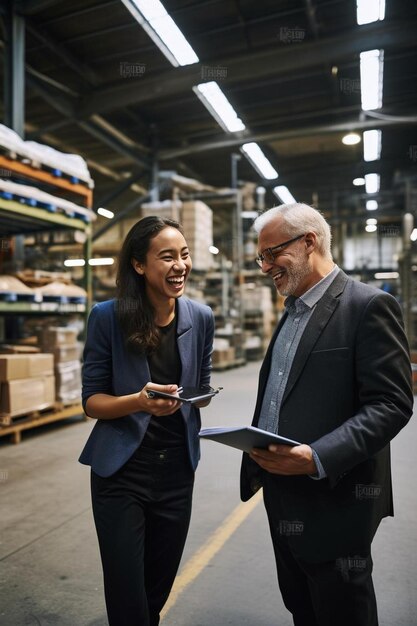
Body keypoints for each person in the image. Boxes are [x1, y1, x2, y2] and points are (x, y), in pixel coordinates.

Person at [240, 203, 413, 626]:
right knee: (303, 607)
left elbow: (391, 403)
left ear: (308, 243)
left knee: (341, 612)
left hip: (336, 498)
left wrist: (316, 457)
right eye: (260, 257)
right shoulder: (291, 311)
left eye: (270, 254)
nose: (265, 267)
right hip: (283, 495)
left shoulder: (367, 306)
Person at [79, 216, 215, 626]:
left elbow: (203, 391)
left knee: (157, 587)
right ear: (139, 265)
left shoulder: (201, 317)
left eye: (185, 255)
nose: (180, 266)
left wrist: (195, 397)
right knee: (127, 593)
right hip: (122, 472)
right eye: (167, 257)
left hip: (176, 470)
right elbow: (92, 402)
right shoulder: (107, 317)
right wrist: (139, 402)